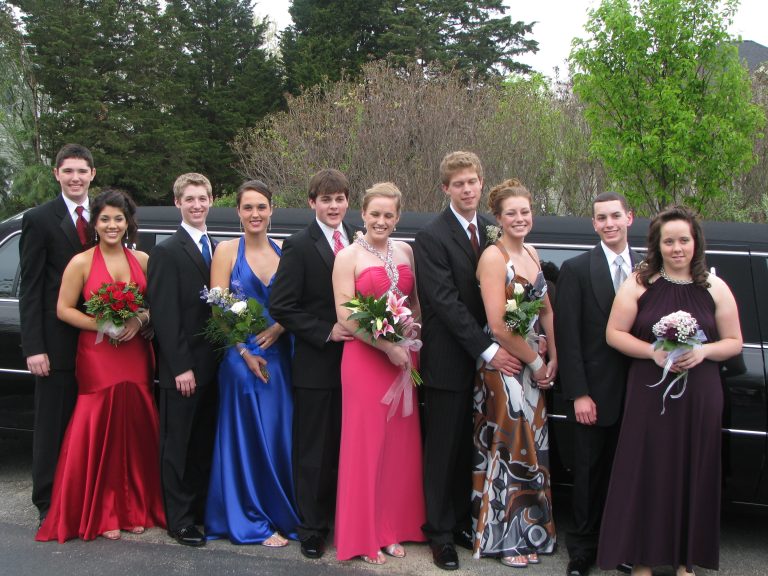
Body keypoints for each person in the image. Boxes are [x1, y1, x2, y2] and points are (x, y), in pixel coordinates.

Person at [598, 206, 742, 576]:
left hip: (700, 395)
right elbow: (614, 333)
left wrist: (704, 351)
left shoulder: (714, 287)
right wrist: (653, 352)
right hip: (649, 392)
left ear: (696, 243)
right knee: (647, 471)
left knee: (692, 470)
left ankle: (684, 561)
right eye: (669, 241)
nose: (677, 248)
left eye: (684, 240)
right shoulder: (639, 283)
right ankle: (643, 560)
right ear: (657, 245)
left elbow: (734, 342)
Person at [413, 151, 521, 571]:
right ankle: (439, 533)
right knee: (443, 450)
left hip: (487, 358)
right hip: (449, 360)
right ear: (446, 189)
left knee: (470, 448)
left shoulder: (492, 230)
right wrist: (489, 349)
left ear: (481, 182)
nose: (467, 189)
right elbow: (445, 302)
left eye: (472, 181)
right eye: (458, 184)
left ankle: (460, 520)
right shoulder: (431, 237)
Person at [36, 188, 164, 542]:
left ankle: (134, 508)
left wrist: (140, 319)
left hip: (135, 353)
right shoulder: (80, 262)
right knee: (100, 424)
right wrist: (102, 324)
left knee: (134, 426)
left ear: (128, 223)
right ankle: (104, 510)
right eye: (105, 219)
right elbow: (63, 309)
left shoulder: (143, 259)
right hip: (98, 355)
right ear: (94, 223)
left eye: (118, 219)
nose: (112, 225)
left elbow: (157, 304)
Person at [332, 183, 426, 564]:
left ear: (398, 217)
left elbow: (414, 303)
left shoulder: (406, 251)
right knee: (366, 446)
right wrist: (386, 345)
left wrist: (411, 330)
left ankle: (392, 528)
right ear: (363, 214)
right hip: (366, 359)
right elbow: (345, 314)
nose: (381, 221)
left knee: (399, 447)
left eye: (389, 215)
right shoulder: (348, 256)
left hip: (404, 357)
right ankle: (364, 534)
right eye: (375, 214)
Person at [204, 180, 299, 545]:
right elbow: (218, 309)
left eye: (261, 207)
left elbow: (298, 301)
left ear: (271, 210)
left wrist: (279, 327)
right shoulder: (226, 251)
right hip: (241, 356)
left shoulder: (286, 251)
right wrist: (244, 352)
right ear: (238, 212)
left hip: (280, 355)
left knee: (278, 434)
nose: (255, 214)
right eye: (248, 207)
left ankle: (280, 513)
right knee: (245, 437)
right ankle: (250, 517)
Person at [269, 169, 357, 560]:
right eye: (326, 199)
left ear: (347, 201)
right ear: (312, 202)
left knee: (349, 448)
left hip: (360, 365)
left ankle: (347, 521)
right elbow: (281, 305)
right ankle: (312, 529)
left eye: (339, 199)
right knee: (315, 453)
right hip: (317, 365)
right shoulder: (299, 245)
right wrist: (326, 331)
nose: (333, 206)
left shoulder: (359, 238)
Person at [472, 179, 557, 567]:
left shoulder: (533, 252)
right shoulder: (494, 257)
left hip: (533, 362)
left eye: (525, 211)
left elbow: (546, 310)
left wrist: (552, 358)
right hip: (504, 364)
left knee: (533, 444)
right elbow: (499, 325)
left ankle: (531, 531)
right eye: (511, 213)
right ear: (498, 218)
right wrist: (536, 362)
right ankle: (504, 539)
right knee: (511, 445)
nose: (520, 218)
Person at [555, 192, 639, 576]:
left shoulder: (648, 269)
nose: (609, 224)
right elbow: (568, 336)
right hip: (594, 393)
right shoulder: (576, 269)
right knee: (588, 474)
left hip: (638, 393)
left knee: (628, 474)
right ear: (593, 224)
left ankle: (619, 544)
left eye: (615, 216)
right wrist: (579, 394)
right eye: (601, 218)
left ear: (629, 218)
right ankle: (582, 550)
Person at [19, 144, 95, 524]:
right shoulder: (38, 219)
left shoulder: (106, 216)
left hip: (100, 343)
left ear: (92, 174)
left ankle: (84, 498)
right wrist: (34, 347)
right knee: (53, 425)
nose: (75, 178)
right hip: (56, 342)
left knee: (90, 426)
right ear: (57, 174)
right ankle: (47, 502)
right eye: (68, 171)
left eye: (82, 171)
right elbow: (30, 288)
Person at [148, 173, 219, 547]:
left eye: (202, 198)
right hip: (184, 370)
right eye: (189, 199)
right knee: (178, 445)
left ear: (211, 201)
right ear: (177, 203)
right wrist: (180, 368)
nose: (196, 205)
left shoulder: (218, 248)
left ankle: (201, 511)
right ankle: (179, 519)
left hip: (215, 368)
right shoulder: (166, 252)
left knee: (203, 442)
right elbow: (165, 315)